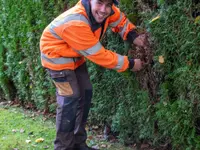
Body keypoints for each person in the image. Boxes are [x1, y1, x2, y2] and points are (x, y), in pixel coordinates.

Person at [40, 0, 147, 149]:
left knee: (85, 93)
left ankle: (79, 144)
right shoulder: (76, 22)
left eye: (108, 4)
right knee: (70, 99)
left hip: (75, 56)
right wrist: (129, 63)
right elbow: (99, 55)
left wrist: (133, 36)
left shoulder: (108, 11)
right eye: (100, 3)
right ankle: (63, 147)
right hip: (56, 58)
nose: (104, 10)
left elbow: (119, 20)